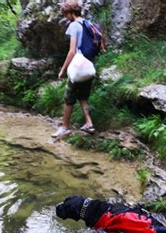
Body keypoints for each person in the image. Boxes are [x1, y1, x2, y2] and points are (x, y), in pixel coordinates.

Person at [53, 1, 97, 138]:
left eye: (66, 14)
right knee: (83, 97)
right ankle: (89, 124)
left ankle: (64, 127)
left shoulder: (74, 25)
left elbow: (72, 51)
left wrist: (63, 69)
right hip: (90, 66)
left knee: (69, 97)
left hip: (78, 66)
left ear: (71, 13)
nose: (66, 17)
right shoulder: (89, 24)